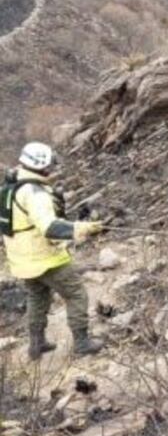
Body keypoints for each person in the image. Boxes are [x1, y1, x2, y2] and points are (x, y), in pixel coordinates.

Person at [1, 143, 106, 359]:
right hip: (44, 258)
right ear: (42, 165)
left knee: (37, 296)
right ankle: (82, 343)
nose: (52, 167)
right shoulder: (35, 193)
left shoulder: (9, 187)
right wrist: (82, 228)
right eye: (50, 163)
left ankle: (36, 344)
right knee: (76, 294)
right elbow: (50, 228)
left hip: (20, 258)